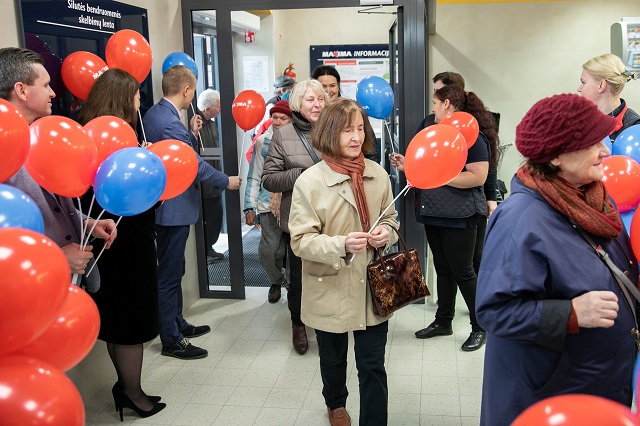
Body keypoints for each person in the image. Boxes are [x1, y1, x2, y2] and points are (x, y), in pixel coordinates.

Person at [476, 94, 638, 425]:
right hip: (549, 399)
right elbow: (495, 311)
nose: (606, 152)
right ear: (557, 156)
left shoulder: (594, 200)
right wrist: (571, 313)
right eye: (594, 143)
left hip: (596, 387)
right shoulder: (520, 219)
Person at [288, 98, 399, 426]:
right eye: (348, 130)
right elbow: (300, 240)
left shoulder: (377, 174)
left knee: (372, 365)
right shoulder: (310, 182)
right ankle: (335, 403)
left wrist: (386, 234)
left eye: (360, 129)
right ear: (330, 133)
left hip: (372, 287)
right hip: (330, 283)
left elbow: (391, 219)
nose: (356, 137)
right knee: (333, 358)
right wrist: (341, 244)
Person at [77, 68, 166, 420]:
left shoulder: (86, 133)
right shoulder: (119, 139)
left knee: (116, 318)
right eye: (136, 97)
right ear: (122, 100)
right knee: (131, 320)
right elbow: (139, 197)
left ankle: (126, 387)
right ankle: (131, 391)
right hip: (125, 241)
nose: (139, 104)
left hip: (104, 242)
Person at [143, 65, 241, 360]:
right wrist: (226, 181)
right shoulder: (168, 121)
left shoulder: (157, 114)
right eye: (193, 90)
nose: (193, 97)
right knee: (170, 274)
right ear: (186, 90)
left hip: (169, 206)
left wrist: (191, 132)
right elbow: (192, 164)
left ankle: (177, 323)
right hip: (172, 208)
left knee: (176, 270)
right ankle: (172, 339)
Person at [0, 47, 116, 279]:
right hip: (29, 285)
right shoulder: (5, 150)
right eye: (45, 85)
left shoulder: (42, 137)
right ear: (21, 91)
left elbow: (53, 207)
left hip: (68, 283)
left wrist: (87, 223)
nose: (53, 93)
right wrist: (54, 256)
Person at [391, 84, 491, 351]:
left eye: (435, 103)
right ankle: (443, 321)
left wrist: (440, 175)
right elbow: (427, 166)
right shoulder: (433, 131)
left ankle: (480, 327)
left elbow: (478, 177)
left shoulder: (471, 135)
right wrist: (408, 165)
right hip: (433, 211)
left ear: (446, 104)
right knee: (443, 269)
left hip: (461, 215)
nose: (432, 109)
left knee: (464, 272)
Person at [262, 79, 328, 354]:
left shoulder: (334, 127)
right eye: (310, 100)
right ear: (298, 104)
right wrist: (301, 175)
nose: (317, 105)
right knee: (299, 279)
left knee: (328, 276)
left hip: (332, 218)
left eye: (321, 99)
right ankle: (298, 323)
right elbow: (269, 179)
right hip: (299, 219)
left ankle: (326, 324)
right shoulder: (283, 134)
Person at [419, 71, 500, 274]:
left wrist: (491, 196)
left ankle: (481, 297)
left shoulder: (471, 128)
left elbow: (484, 168)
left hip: (465, 207)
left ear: (448, 100)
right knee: (444, 269)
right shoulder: (430, 123)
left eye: (438, 94)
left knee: (468, 268)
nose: (433, 105)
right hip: (435, 207)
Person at [244, 100, 292, 304]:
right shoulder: (262, 142)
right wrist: (249, 205)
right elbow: (254, 175)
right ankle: (277, 280)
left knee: (294, 251)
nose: (278, 121)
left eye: (283, 118)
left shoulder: (297, 141)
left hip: (294, 204)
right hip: (267, 204)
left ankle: (291, 284)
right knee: (269, 251)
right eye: (274, 117)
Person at [578, 53, 640, 141]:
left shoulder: (635, 129)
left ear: (601, 85)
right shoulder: (581, 120)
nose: (579, 89)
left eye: (583, 82)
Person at [196, 88, 225, 263]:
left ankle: (210, 247)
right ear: (207, 109)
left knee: (216, 217)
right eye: (218, 106)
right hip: (204, 184)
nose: (220, 109)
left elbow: (214, 153)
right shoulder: (196, 125)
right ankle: (205, 251)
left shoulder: (213, 125)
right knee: (206, 219)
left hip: (215, 181)